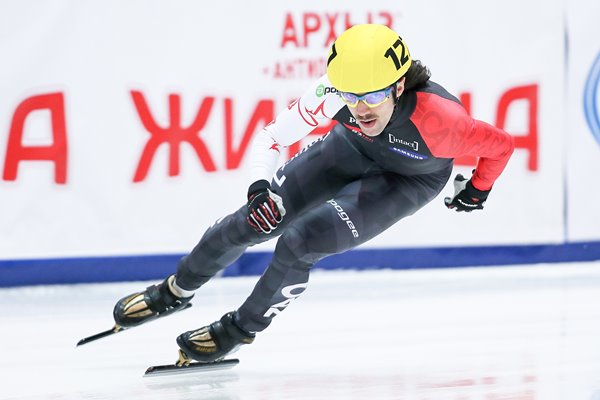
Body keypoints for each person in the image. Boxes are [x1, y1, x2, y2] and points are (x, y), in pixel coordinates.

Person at [113, 24, 515, 363]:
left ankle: (241, 327)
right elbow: (272, 136)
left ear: (400, 85)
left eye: (372, 95)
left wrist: (478, 189)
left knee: (301, 241)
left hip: (407, 181)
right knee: (249, 223)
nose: (360, 108)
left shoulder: (445, 123)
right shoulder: (331, 95)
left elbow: (501, 146)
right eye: (350, 96)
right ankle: (175, 290)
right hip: (348, 150)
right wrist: (259, 188)